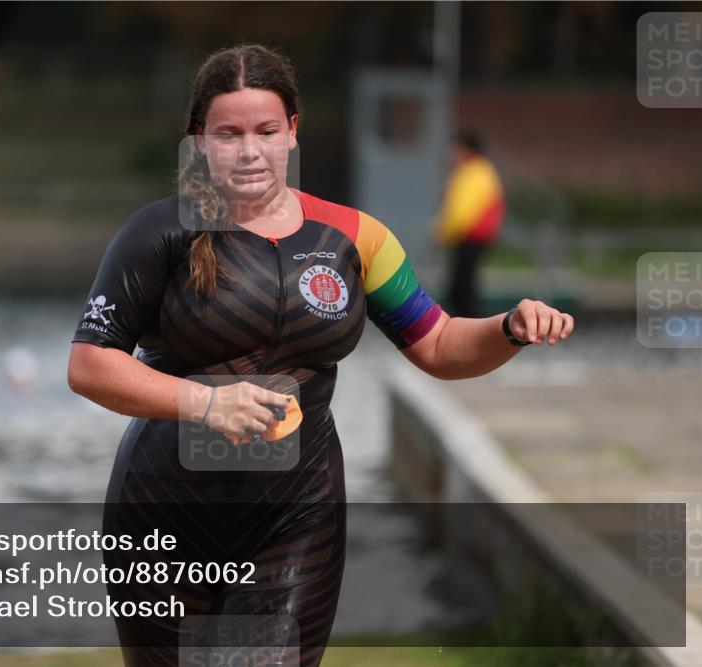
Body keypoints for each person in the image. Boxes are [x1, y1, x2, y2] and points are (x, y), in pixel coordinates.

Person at [67, 44, 573, 666]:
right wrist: (203, 403)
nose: (249, 150)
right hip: (165, 509)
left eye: (266, 131)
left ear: (293, 133)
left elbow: (439, 345)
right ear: (200, 140)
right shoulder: (157, 233)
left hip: (296, 511)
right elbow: (90, 364)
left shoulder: (357, 237)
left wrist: (510, 328)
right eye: (228, 133)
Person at [433, 131, 505, 318]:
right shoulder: (483, 171)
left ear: (465, 149)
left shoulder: (471, 173)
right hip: (475, 237)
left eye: (455, 148)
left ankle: (467, 331)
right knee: (463, 287)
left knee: (461, 290)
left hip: (469, 237)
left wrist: (442, 233)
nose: (451, 153)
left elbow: (461, 213)